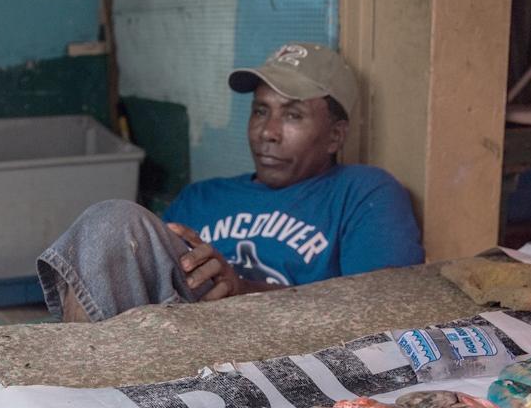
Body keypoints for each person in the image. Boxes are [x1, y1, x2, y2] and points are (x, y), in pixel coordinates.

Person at [37, 42, 425, 322]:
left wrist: (243, 291)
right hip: (171, 342)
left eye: (292, 116)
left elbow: (382, 311)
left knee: (114, 219)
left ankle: (86, 388)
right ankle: (86, 379)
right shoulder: (202, 198)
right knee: (113, 224)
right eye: (260, 111)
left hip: (273, 351)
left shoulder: (363, 193)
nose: (267, 132)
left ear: (336, 136)